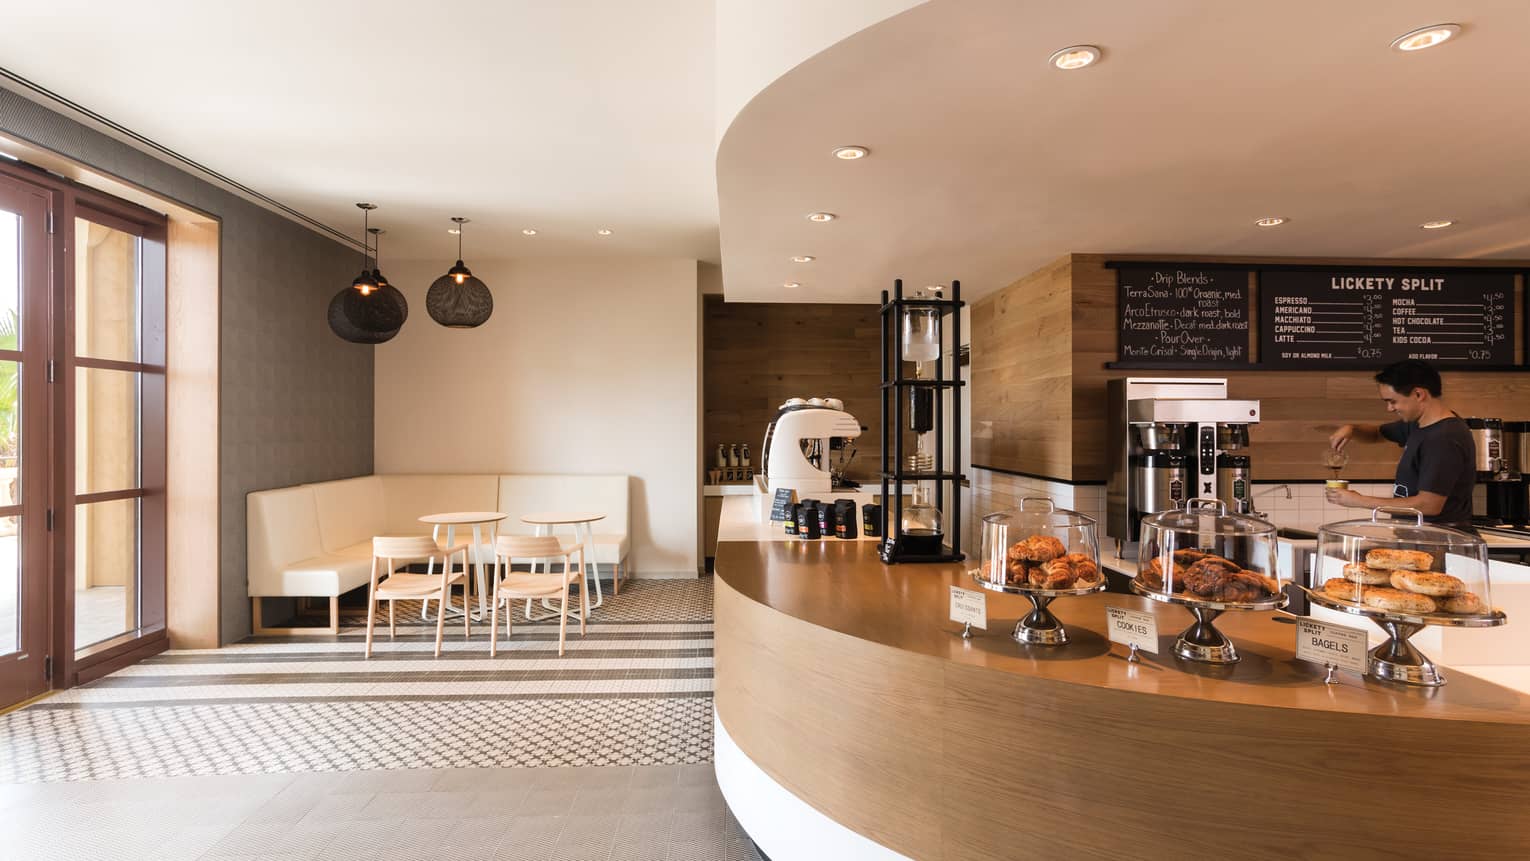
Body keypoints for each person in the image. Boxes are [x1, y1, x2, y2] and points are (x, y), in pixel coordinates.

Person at [1327, 360, 1476, 530]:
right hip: (1418, 536)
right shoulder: (1418, 425)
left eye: (1392, 401)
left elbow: (1429, 505)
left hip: (1439, 540)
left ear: (1419, 394)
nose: (1390, 409)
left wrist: (1358, 500)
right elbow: (1376, 434)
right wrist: (1352, 429)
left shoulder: (1444, 438)